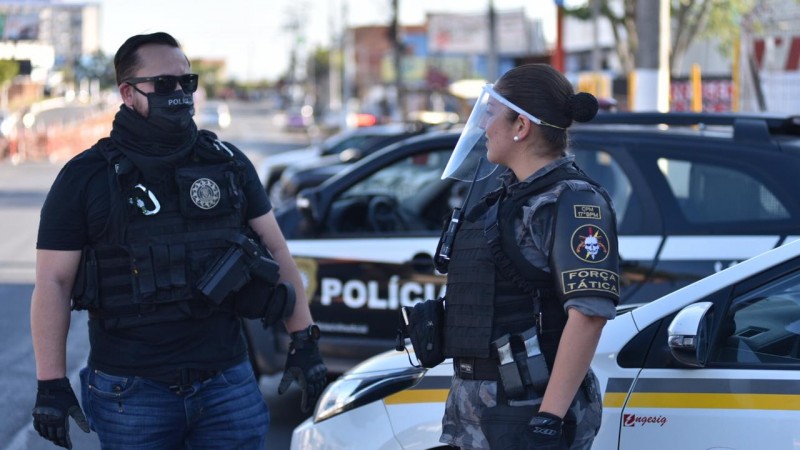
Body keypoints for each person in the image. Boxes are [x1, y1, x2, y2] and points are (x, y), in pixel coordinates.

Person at [30, 31, 326, 449]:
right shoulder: (86, 176)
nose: (180, 93)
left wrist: (304, 338)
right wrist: (50, 382)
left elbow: (276, 249)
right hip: (131, 393)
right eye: (164, 84)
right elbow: (53, 283)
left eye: (187, 82)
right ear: (128, 93)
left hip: (227, 383)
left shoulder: (227, 163)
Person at [435, 63, 619, 449]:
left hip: (527, 414)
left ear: (521, 126)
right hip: (482, 413)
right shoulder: (508, 196)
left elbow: (589, 315)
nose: (483, 126)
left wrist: (548, 420)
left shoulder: (571, 200)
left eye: (491, 114)